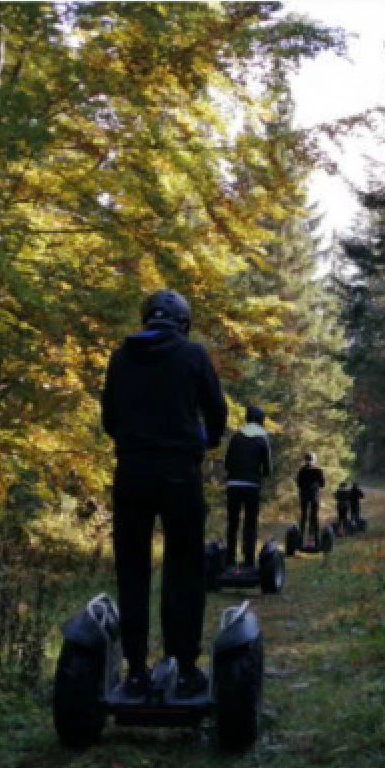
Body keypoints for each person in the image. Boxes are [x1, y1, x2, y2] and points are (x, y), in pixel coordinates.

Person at [101, 289, 226, 697]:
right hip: (179, 473)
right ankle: (184, 669)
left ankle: (135, 670)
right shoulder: (193, 355)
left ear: (146, 319)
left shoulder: (121, 357)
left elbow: (108, 418)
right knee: (184, 568)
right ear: (183, 322)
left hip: (132, 472)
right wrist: (204, 439)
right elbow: (217, 412)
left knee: (132, 569)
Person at [223, 405, 271, 569]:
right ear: (261, 420)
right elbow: (267, 469)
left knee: (232, 522)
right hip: (251, 485)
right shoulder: (262, 438)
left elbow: (227, 463)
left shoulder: (236, 436)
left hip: (233, 484)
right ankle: (248, 560)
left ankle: (229, 558)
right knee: (250, 523)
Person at [295, 452, 325, 541]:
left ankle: (300, 537)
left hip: (304, 495)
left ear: (305, 459)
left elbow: (299, 484)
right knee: (314, 517)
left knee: (304, 516)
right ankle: (314, 538)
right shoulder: (318, 470)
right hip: (314, 495)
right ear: (314, 459)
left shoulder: (302, 470)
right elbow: (322, 484)